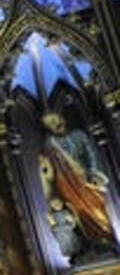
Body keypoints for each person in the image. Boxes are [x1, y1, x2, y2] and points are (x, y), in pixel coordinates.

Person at [40, 111, 115, 261]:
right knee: (77, 212)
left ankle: (105, 239)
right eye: (49, 124)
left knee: (96, 210)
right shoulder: (51, 144)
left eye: (54, 120)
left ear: (62, 118)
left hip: (86, 180)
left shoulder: (79, 135)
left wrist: (94, 173)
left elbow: (91, 154)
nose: (54, 124)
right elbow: (48, 169)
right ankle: (88, 243)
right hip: (66, 182)